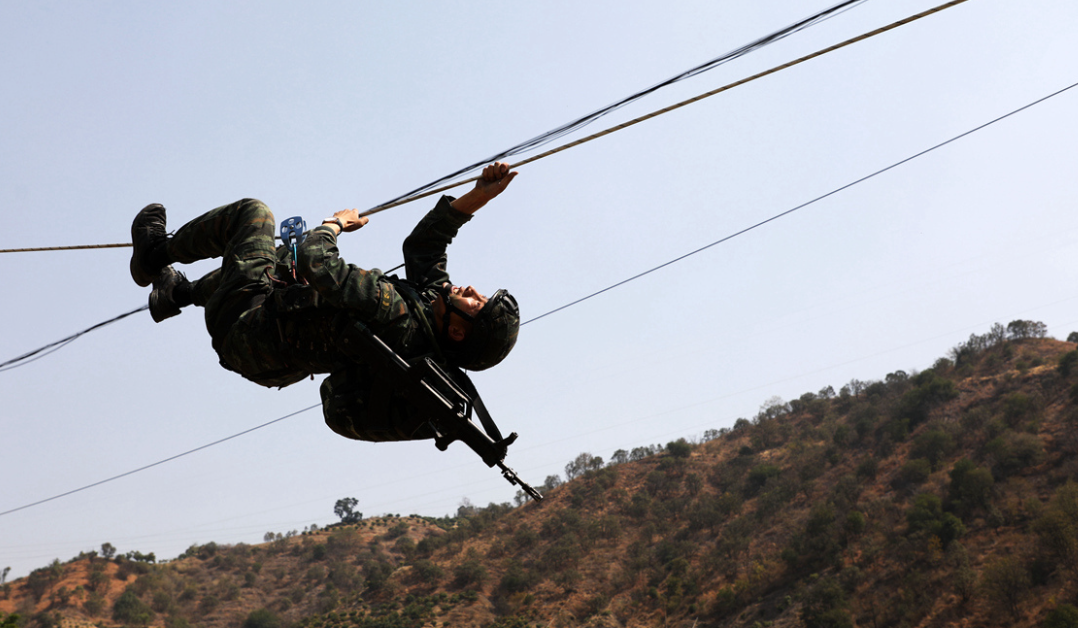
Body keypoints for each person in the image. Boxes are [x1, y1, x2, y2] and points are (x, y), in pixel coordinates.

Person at [129, 162, 521, 441]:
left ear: (457, 330)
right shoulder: (427, 316)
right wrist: (480, 195)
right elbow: (426, 246)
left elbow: (319, 261)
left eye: (477, 304)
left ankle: (153, 255)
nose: (472, 291)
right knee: (279, 260)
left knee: (253, 216)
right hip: (270, 353)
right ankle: (175, 294)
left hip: (245, 327)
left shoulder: (396, 313)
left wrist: (335, 225)